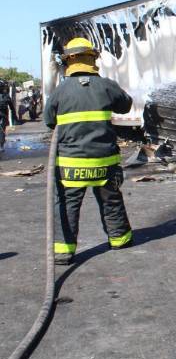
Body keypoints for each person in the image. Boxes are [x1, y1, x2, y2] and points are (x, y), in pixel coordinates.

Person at [43, 38, 134, 265]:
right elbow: (126, 105)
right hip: (105, 163)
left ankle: (63, 252)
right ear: (92, 59)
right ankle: (120, 239)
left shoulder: (60, 91)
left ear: (68, 61)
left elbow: (48, 120)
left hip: (71, 166)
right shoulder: (106, 86)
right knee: (111, 201)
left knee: (66, 204)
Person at [0, 80, 17, 151]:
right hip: (3, 115)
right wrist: (15, 116)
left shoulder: (6, 96)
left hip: (3, 115)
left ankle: (1, 145)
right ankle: (1, 146)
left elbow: (11, 107)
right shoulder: (6, 96)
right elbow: (12, 107)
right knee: (2, 130)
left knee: (2, 130)